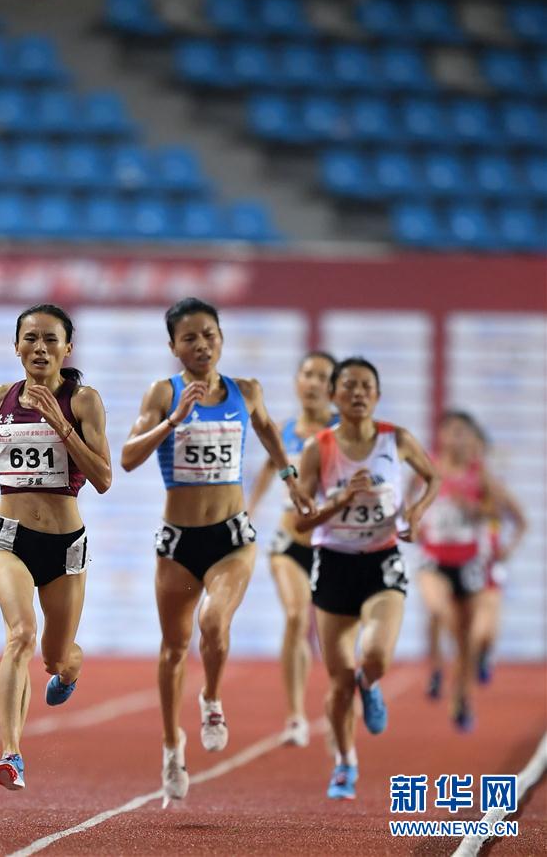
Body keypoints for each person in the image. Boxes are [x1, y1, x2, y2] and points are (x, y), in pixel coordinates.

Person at [120, 297, 314, 807]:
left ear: (221, 338)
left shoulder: (246, 391)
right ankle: (171, 746)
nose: (201, 345)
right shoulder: (163, 393)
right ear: (173, 347)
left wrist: (290, 478)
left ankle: (210, 697)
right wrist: (173, 420)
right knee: (173, 648)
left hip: (231, 537)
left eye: (209, 334)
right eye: (189, 338)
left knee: (213, 621)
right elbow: (128, 458)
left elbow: (268, 430)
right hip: (179, 542)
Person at [0, 304, 112, 790]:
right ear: (16, 346)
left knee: (56, 657)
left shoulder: (84, 401)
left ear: (67, 348)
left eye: (51, 339)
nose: (40, 347)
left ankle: (70, 672)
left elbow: (103, 479)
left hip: (65, 546)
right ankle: (11, 755)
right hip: (9, 538)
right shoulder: (0, 396)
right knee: (19, 635)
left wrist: (60, 423)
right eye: (30, 338)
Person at [295, 357, 439, 800]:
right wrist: (340, 501)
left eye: (366, 387)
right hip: (334, 564)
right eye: (349, 386)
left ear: (377, 395)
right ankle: (345, 763)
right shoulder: (318, 447)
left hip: (382, 561)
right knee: (339, 682)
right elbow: (302, 521)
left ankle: (371, 684)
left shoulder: (397, 439)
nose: (358, 393)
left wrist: (416, 512)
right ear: (333, 395)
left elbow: (432, 477)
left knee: (374, 657)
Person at [248, 351, 337, 747]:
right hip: (290, 542)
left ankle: (343, 704)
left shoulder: (344, 431)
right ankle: (296, 716)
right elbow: (269, 469)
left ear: (333, 388)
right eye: (308, 374)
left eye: (322, 377)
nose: (313, 383)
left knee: (335, 634)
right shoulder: (283, 430)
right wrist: (249, 512)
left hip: (334, 545)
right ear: (297, 381)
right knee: (297, 616)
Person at [416, 411, 527, 728]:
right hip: (435, 560)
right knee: (438, 611)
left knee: (473, 638)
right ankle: (436, 669)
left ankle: (462, 698)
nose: (458, 440)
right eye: (451, 432)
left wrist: (476, 510)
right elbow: (407, 502)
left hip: (474, 565)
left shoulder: (482, 475)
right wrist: (413, 522)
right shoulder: (428, 468)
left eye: (463, 434)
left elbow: (503, 513)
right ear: (441, 436)